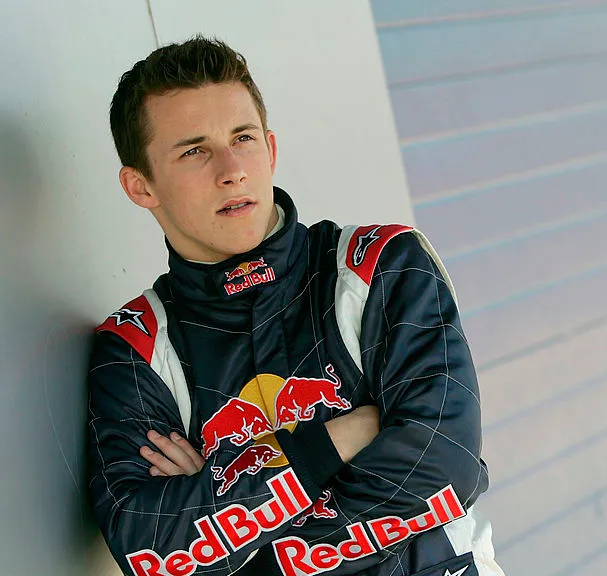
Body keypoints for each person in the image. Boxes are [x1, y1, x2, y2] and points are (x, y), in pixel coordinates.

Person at [86, 35, 502, 576]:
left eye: (243, 138)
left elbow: (445, 467)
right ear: (141, 187)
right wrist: (340, 439)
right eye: (194, 150)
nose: (232, 168)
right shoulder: (136, 347)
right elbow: (149, 549)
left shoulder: (380, 266)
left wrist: (226, 517)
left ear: (271, 148)